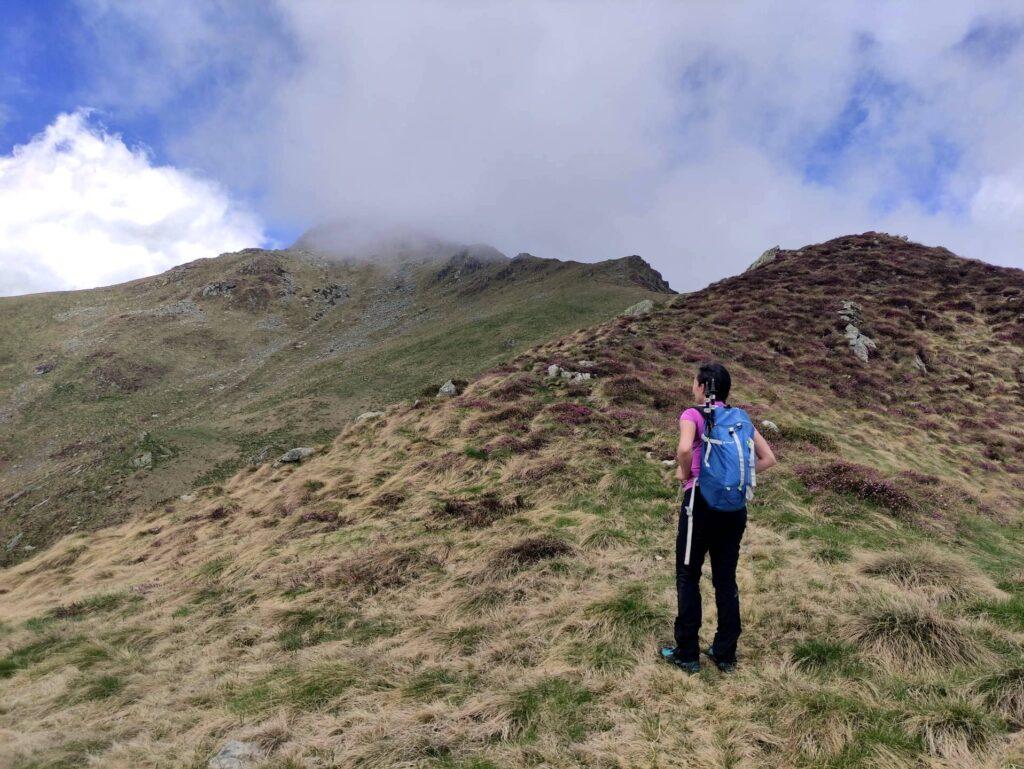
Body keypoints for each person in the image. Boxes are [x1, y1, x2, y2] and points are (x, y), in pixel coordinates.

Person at [660, 362, 776, 673]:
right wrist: (731, 479)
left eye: (694, 381)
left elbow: (685, 449)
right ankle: (725, 653)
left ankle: (687, 653)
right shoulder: (741, 419)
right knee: (725, 580)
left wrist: (686, 475)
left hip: (699, 504)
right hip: (734, 508)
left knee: (688, 575)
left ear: (703, 387)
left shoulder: (694, 414)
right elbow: (769, 458)